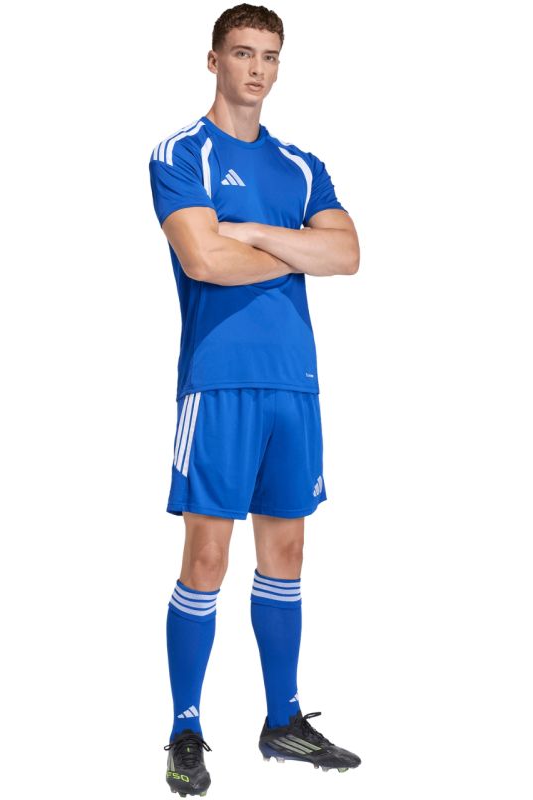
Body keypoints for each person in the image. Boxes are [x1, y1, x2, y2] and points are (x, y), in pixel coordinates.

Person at [148, 5, 361, 796]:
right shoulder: (183, 153)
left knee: (288, 554)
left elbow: (348, 253)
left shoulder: (301, 165)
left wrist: (254, 234)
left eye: (269, 55)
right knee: (207, 556)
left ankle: (282, 721)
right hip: (219, 382)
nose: (256, 69)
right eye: (242, 53)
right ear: (214, 61)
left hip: (293, 382)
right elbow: (203, 260)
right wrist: (298, 249)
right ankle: (186, 727)